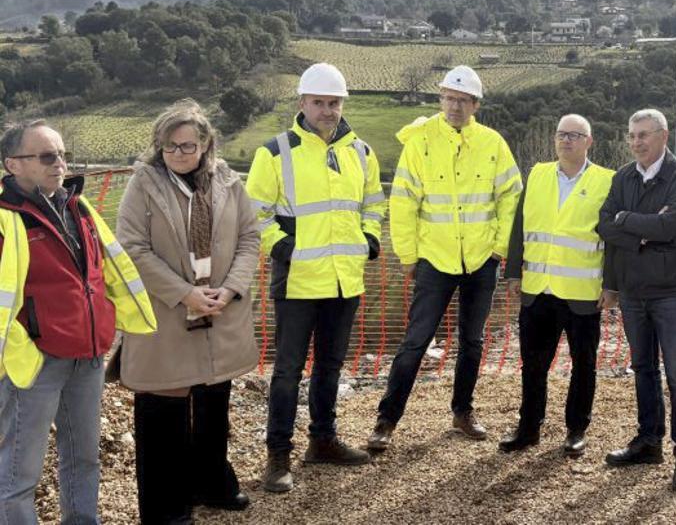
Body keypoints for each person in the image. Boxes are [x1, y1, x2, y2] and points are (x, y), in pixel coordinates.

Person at [0, 120, 157, 523]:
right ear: (12, 164)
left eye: (62, 154)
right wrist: (24, 349)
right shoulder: (4, 219)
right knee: (18, 475)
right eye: (46, 156)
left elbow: (102, 273)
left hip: (87, 357)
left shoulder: (79, 207)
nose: (60, 163)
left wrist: (104, 324)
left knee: (84, 459)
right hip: (34, 363)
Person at [246, 63, 386, 493]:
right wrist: (280, 247)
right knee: (287, 371)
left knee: (330, 366)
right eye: (319, 102)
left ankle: (322, 441)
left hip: (345, 281)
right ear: (302, 103)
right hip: (298, 281)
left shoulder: (361, 152)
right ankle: (278, 456)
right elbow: (254, 213)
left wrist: (370, 238)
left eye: (334, 102)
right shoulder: (275, 152)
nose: (327, 110)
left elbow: (373, 203)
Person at [116, 100, 259, 523]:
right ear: (158, 146)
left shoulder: (228, 181)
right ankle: (166, 509)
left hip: (220, 312)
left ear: (206, 145)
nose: (178, 154)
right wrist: (184, 294)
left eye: (188, 146)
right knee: (163, 412)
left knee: (214, 402)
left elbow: (249, 237)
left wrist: (230, 289)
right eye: (170, 146)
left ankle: (212, 483)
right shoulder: (143, 184)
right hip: (167, 316)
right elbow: (133, 248)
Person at [367, 65, 522, 451]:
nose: (455, 106)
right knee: (416, 341)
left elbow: (511, 197)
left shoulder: (492, 144)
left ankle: (463, 411)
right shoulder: (420, 142)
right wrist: (408, 256)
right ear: (440, 99)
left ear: (476, 105)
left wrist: (499, 249)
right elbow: (403, 202)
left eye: (463, 100)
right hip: (434, 260)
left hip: (481, 260)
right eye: (449, 98)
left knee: (472, 341)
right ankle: (386, 420)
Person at [498, 114, 614, 457]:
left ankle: (576, 430)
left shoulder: (607, 181)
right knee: (533, 365)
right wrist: (514, 272)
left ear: (588, 142)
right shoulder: (537, 174)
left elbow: (613, 241)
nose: (566, 140)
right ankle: (528, 428)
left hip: (582, 295)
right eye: (562, 134)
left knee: (584, 365)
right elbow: (520, 225)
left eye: (575, 135)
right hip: (538, 291)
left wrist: (612, 286)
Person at [597, 108, 676, 493]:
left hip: (671, 292)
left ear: (663, 136)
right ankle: (648, 442)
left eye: (644, 134)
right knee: (642, 368)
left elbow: (670, 225)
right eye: (632, 135)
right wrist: (641, 230)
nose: (637, 142)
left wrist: (626, 220)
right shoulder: (623, 177)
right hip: (633, 291)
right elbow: (603, 225)